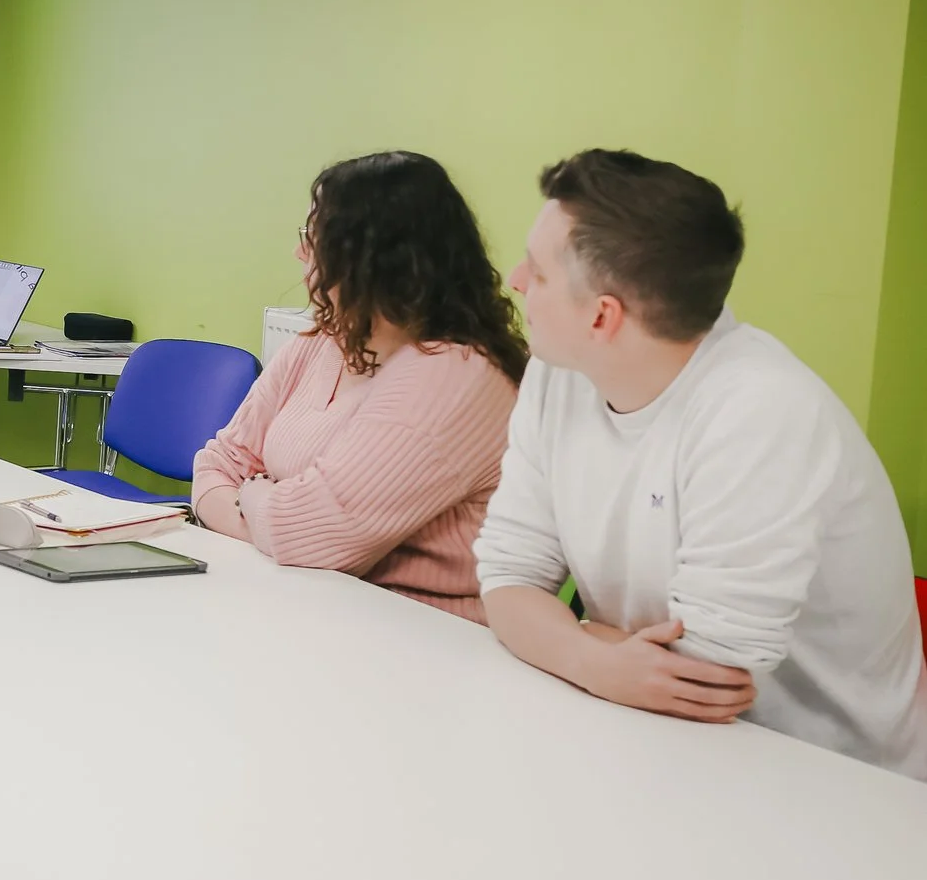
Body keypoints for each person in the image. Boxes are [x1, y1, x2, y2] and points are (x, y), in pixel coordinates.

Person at [475, 149, 927, 776]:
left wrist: (564, 638)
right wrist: (596, 660)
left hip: (830, 777)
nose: (517, 278)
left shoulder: (762, 410)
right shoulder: (560, 374)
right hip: (648, 734)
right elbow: (505, 579)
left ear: (603, 316)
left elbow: (706, 681)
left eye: (540, 272)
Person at [191, 152, 524, 620]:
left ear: (370, 259)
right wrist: (270, 524)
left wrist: (253, 494)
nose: (300, 252)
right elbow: (217, 463)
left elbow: (311, 535)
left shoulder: (458, 372)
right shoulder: (322, 341)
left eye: (313, 237)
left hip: (419, 628)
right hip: (299, 599)